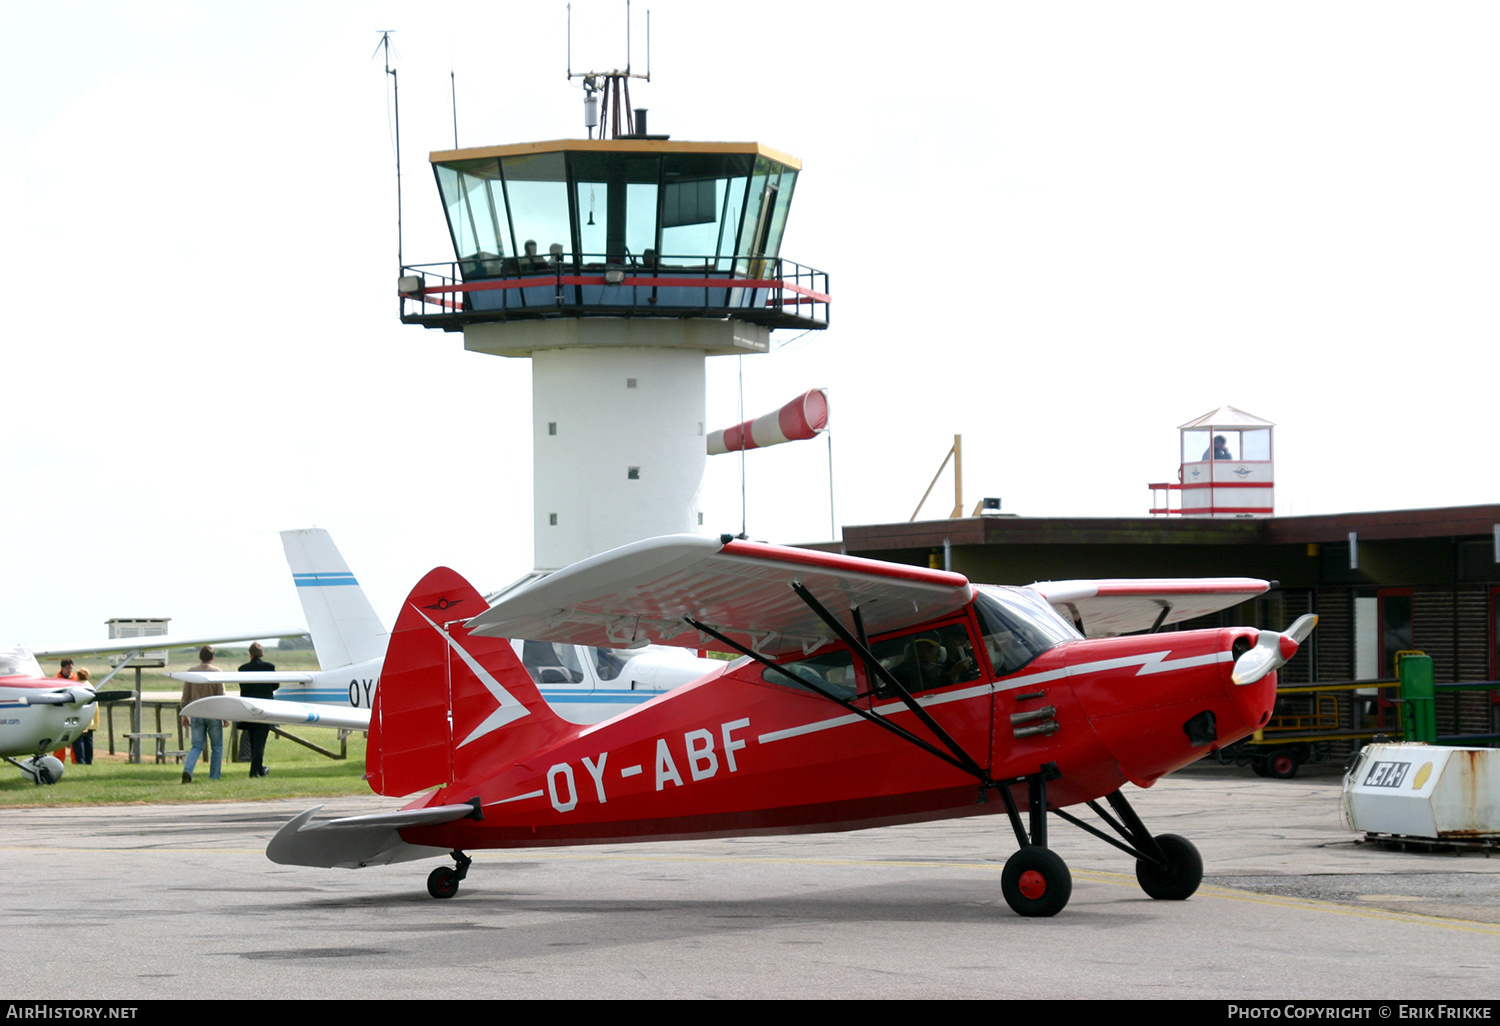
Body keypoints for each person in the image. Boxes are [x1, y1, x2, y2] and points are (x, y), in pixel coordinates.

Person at [179, 645, 224, 783]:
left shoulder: (191, 672)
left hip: (196, 712)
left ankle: (188, 769)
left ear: (200, 657)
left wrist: (185, 714)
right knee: (216, 746)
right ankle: (214, 776)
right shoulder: (217, 672)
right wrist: (225, 716)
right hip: (213, 713)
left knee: (196, 746)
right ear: (213, 657)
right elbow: (221, 695)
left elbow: (185, 696)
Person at [239, 642, 278, 778]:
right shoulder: (269, 667)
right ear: (262, 654)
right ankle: (255, 771)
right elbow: (275, 685)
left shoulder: (242, 669)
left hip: (249, 708)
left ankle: (258, 769)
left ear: (250, 654)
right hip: (264, 708)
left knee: (253, 740)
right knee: (260, 742)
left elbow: (243, 687)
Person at [72, 668, 97, 766]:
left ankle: (81, 761)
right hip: (91, 720)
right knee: (88, 742)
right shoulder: (91, 686)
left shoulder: (80, 687)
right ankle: (89, 761)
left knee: (79, 742)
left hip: (82, 720)